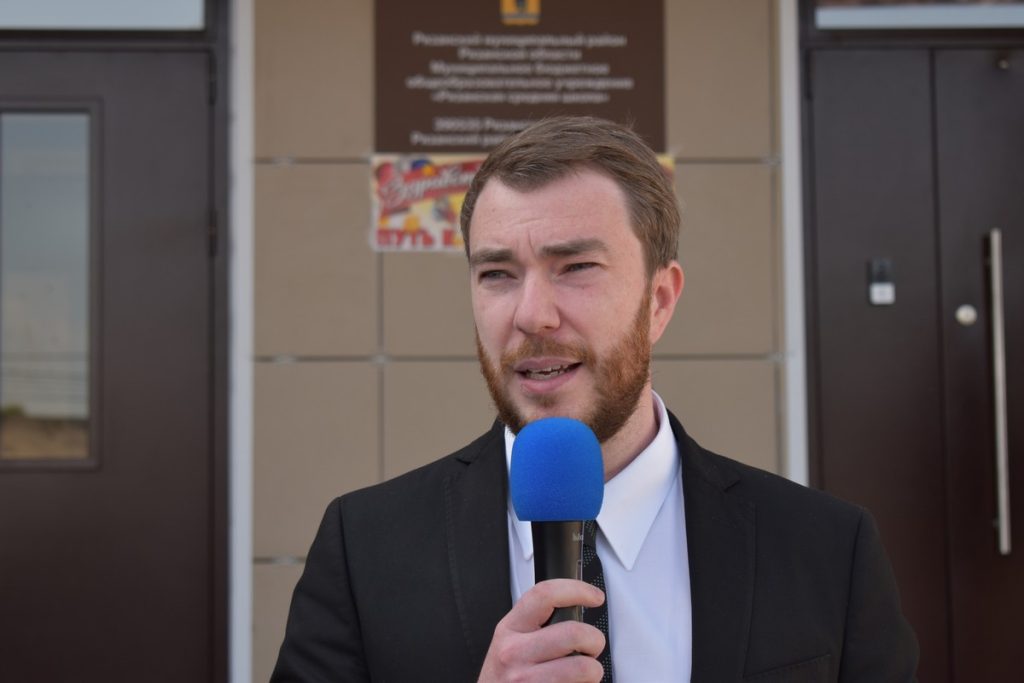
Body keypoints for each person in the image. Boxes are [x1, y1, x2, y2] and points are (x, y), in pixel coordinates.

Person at [272, 116, 918, 682]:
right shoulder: (365, 549)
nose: (532, 314)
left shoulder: (827, 549)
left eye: (576, 267)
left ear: (659, 300)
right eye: (497, 273)